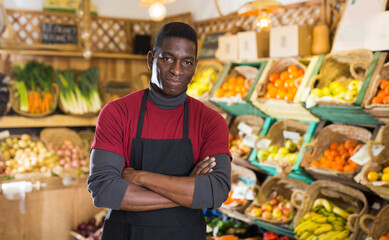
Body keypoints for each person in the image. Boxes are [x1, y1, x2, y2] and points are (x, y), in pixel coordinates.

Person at [87, 22, 232, 240]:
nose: (177, 70)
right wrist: (189, 192)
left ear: (195, 66)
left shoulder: (210, 122)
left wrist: (139, 177)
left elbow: (216, 192)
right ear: (150, 59)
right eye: (167, 58)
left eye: (187, 62)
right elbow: (104, 191)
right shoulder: (117, 113)